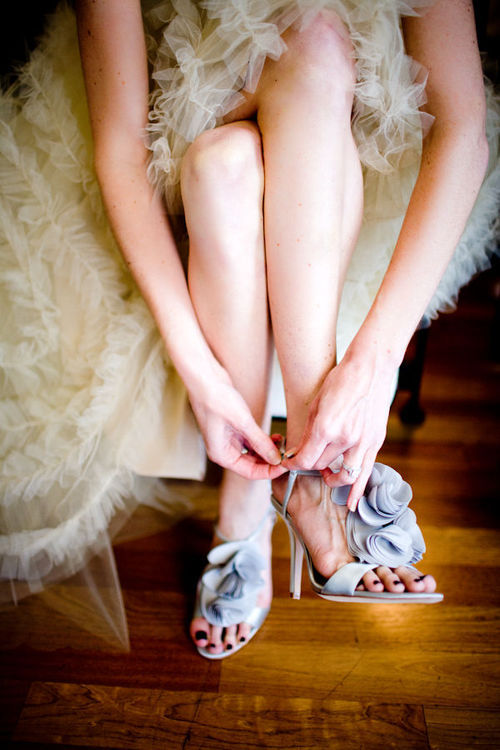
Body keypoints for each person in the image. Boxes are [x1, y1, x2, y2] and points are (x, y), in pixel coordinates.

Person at [1, 0, 498, 656]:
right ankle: (309, 474)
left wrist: (375, 366)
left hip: (338, 137)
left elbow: (462, 132)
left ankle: (274, 479)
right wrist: (203, 381)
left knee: (271, 105)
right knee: (224, 150)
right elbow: (122, 152)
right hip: (173, 116)